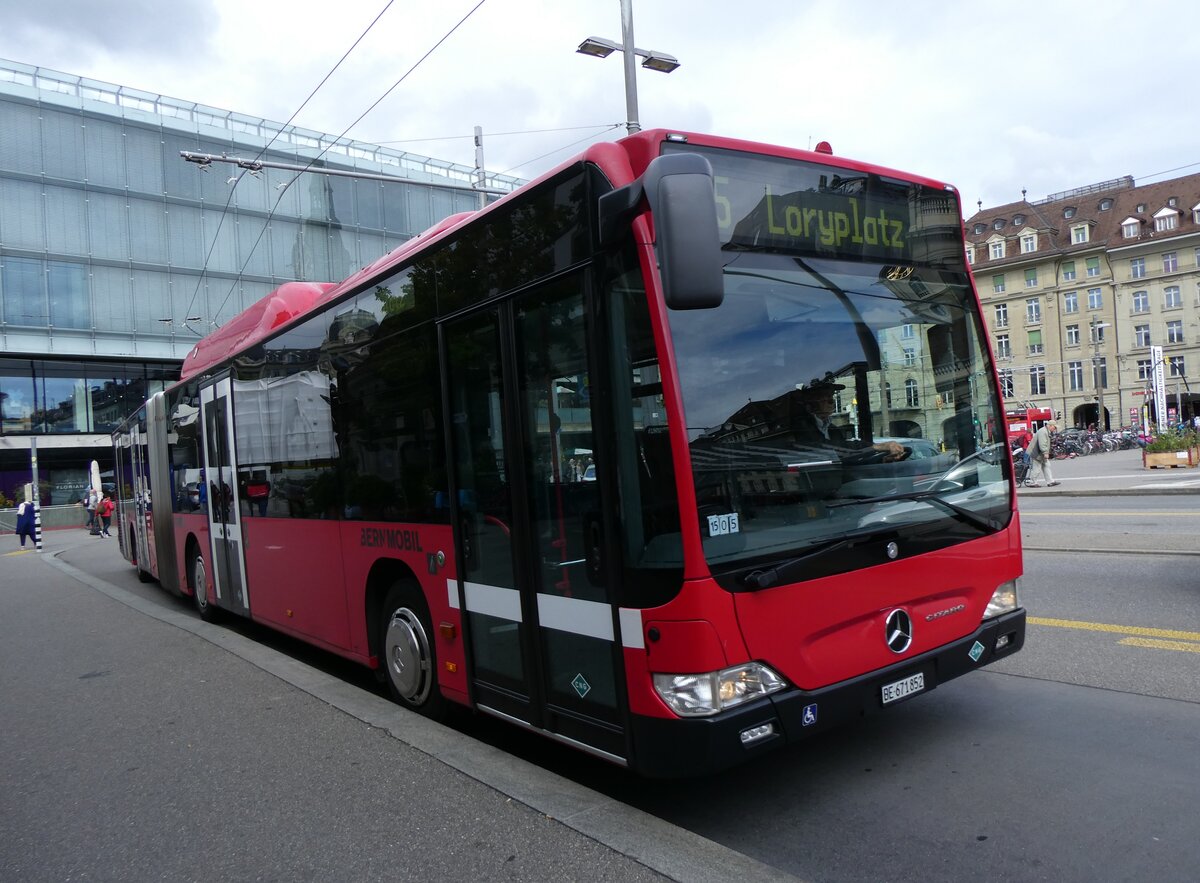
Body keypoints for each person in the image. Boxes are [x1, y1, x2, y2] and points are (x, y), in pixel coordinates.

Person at [793, 379, 907, 461]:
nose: (832, 402)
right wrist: (877, 447)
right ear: (811, 402)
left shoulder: (833, 429)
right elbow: (832, 447)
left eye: (832, 396)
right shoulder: (800, 427)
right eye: (825, 397)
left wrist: (881, 460)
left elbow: (847, 457)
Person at [1025, 420, 1059, 487]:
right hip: (1036, 452)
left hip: (1039, 452)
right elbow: (1042, 444)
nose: (1055, 429)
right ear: (1050, 426)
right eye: (1054, 427)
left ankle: (1050, 481)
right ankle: (1033, 482)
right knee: (1037, 468)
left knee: (1047, 465)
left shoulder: (1045, 431)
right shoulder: (1043, 432)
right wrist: (1045, 452)